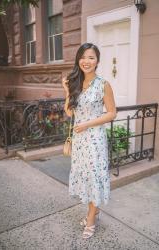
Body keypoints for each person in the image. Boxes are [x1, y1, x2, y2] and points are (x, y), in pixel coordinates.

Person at [62, 43, 116, 239]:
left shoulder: (103, 84)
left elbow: (112, 113)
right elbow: (69, 112)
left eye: (91, 57)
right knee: (85, 176)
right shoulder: (75, 82)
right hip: (79, 140)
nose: (87, 61)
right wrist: (67, 90)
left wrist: (87, 124)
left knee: (94, 177)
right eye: (83, 57)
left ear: (97, 61)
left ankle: (91, 219)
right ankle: (95, 210)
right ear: (78, 59)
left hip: (95, 140)